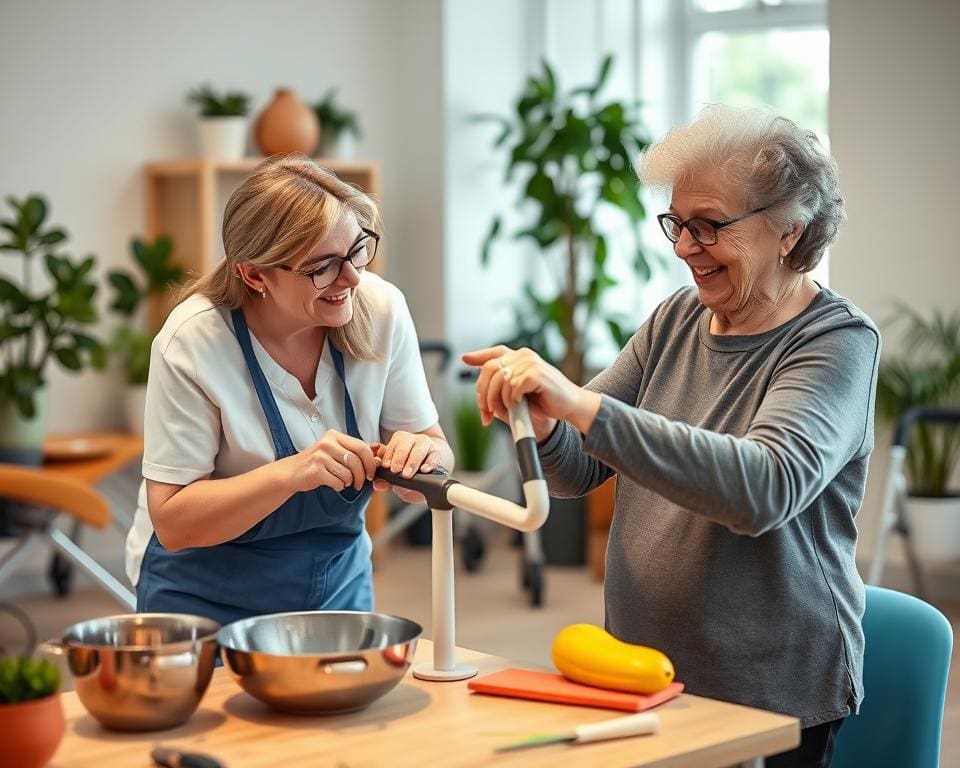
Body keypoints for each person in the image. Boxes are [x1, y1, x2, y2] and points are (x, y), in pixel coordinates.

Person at [465, 105, 880, 768]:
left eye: (709, 225)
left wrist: (582, 406)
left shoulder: (834, 344)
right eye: (677, 224)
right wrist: (546, 423)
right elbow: (576, 471)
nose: (684, 247)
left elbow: (765, 487)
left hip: (768, 690)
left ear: (789, 231)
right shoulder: (677, 319)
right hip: (641, 673)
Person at [126, 155, 452, 627]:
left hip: (337, 585)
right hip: (204, 596)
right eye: (322, 266)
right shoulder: (194, 342)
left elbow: (438, 453)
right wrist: (294, 472)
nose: (353, 278)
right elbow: (174, 521)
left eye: (358, 249)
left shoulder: (381, 309)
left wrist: (425, 456)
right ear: (255, 274)